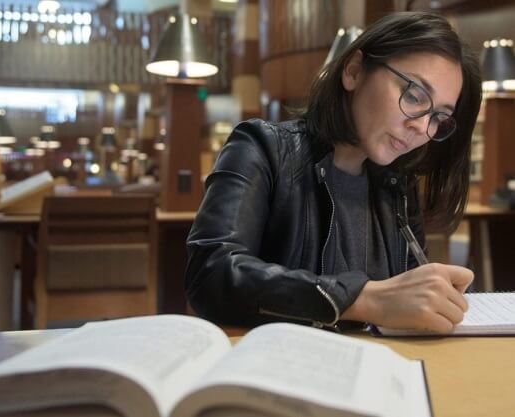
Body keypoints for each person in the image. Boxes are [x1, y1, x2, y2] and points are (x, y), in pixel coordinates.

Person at [185, 12, 482, 333]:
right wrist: (363, 299)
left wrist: (434, 300)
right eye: (414, 95)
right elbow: (211, 274)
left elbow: (406, 298)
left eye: (439, 116)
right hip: (279, 369)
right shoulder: (262, 148)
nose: (423, 127)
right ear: (354, 71)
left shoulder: (396, 185)